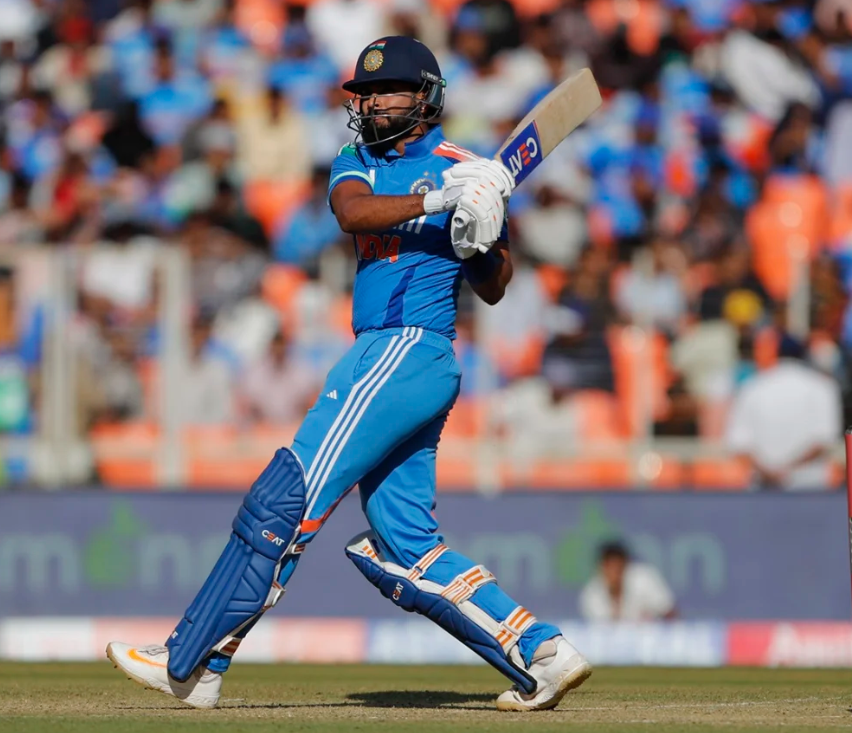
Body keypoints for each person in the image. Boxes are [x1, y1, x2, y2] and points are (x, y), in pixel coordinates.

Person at [107, 36, 590, 712]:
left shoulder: (469, 170)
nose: (366, 104)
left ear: (423, 98)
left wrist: (478, 234)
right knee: (403, 543)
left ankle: (189, 660)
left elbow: (494, 286)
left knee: (287, 495)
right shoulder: (357, 161)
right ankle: (541, 652)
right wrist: (435, 201)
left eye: (382, 92)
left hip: (406, 347)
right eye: (361, 94)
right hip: (398, 356)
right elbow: (350, 212)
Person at [724, 334, 843, 490]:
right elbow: (825, 440)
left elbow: (739, 443)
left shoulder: (752, 387)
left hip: (766, 486)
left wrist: (771, 473)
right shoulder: (823, 387)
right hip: (810, 488)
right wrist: (787, 471)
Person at [578, 541, 676, 622]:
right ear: (602, 568)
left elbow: (670, 613)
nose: (614, 572)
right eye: (609, 567)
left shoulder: (644, 579)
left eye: (618, 567)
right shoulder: (591, 594)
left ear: (626, 565)